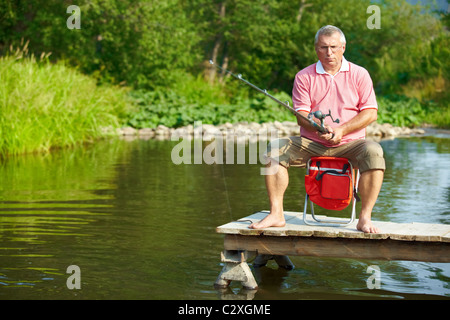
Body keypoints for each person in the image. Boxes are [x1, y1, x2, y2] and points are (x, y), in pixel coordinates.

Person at [249, 25, 385, 233]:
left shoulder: (360, 74)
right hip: (312, 143)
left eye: (333, 47)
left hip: (351, 144)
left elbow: (370, 113)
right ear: (316, 49)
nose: (329, 53)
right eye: (323, 47)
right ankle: (276, 214)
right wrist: (320, 128)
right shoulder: (304, 76)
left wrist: (342, 130)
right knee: (275, 148)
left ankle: (364, 218)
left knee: (374, 151)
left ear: (343, 47)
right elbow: (301, 115)